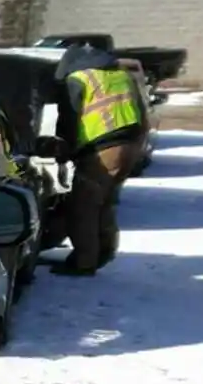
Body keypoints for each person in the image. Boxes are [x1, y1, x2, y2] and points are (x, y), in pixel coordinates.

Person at [51, 44, 144, 275]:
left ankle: (83, 262)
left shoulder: (78, 79)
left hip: (102, 149)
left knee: (83, 206)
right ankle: (104, 251)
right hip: (130, 145)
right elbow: (140, 111)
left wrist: (64, 149)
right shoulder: (122, 76)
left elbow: (69, 120)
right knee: (105, 202)